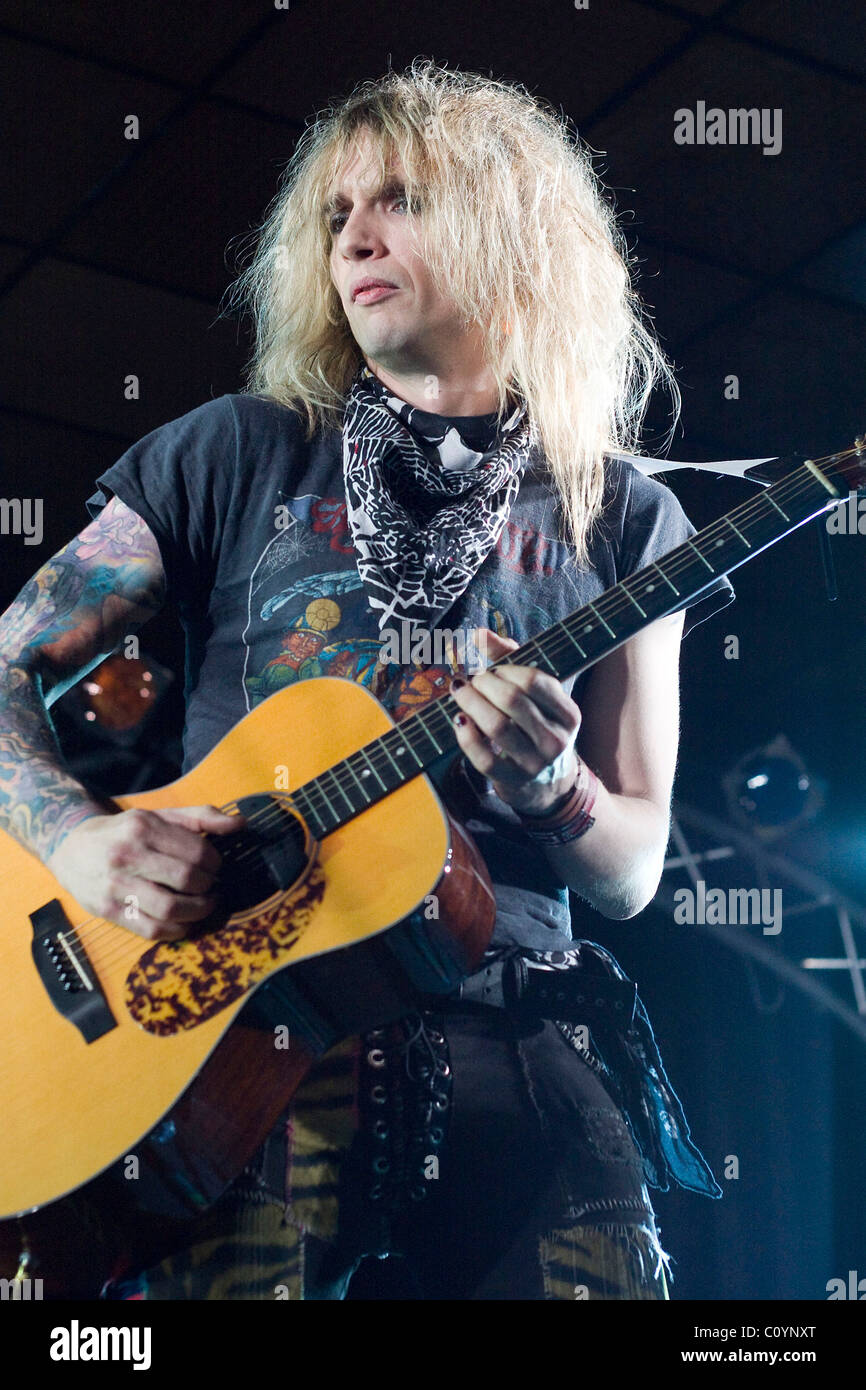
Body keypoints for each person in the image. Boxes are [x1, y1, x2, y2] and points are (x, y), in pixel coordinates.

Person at [0, 60, 734, 1300]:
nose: (354, 237)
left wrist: (558, 790)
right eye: (335, 215)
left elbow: (632, 871)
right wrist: (72, 840)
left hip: (523, 1028)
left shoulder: (628, 517)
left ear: (511, 225)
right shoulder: (239, 449)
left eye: (398, 198)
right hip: (246, 1038)